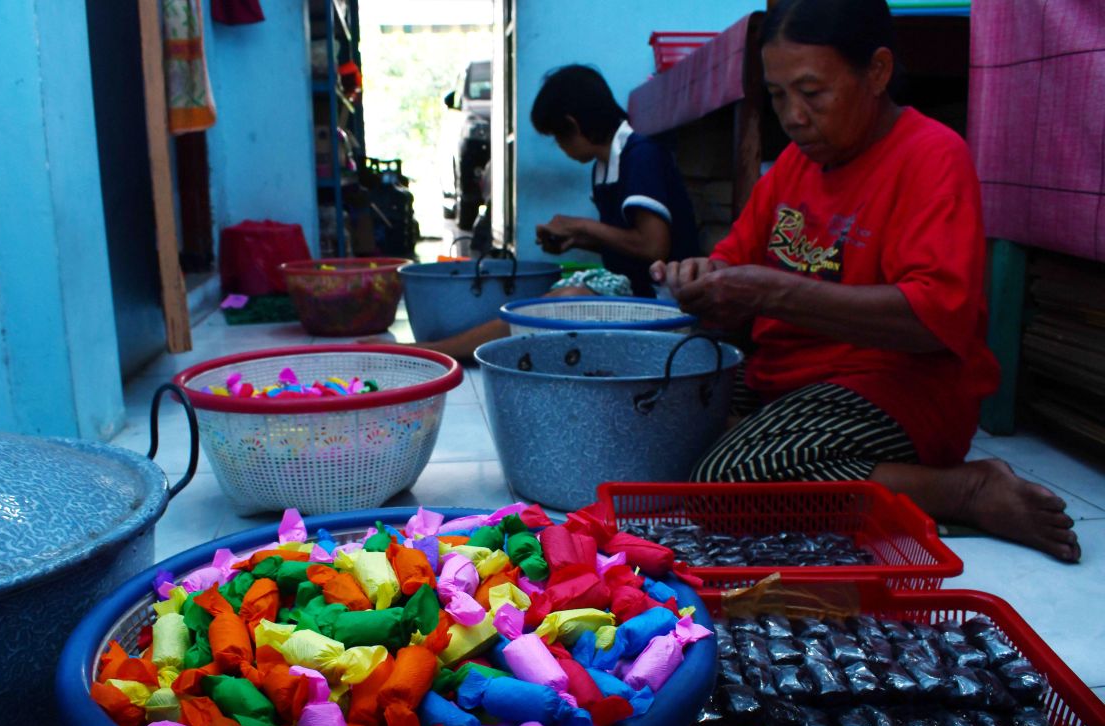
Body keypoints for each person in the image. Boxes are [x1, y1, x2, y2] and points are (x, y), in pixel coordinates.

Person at [652, 0, 1080, 562]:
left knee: (724, 483)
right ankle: (780, 440)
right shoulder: (795, 165)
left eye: (812, 92)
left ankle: (963, 489)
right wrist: (698, 281)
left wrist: (775, 293)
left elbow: (934, 318)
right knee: (654, 414)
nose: (794, 117)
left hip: (896, 387)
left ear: (876, 72)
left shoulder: (931, 156)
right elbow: (732, 267)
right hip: (786, 377)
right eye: (779, 96)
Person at [410, 64, 698, 359]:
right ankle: (443, 349)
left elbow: (653, 246)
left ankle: (438, 351)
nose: (561, 148)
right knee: (540, 303)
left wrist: (581, 227)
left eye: (558, 138)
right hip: (632, 288)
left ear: (573, 125)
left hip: (663, 297)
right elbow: (626, 241)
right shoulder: (604, 165)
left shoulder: (641, 155)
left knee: (564, 303)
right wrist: (576, 239)